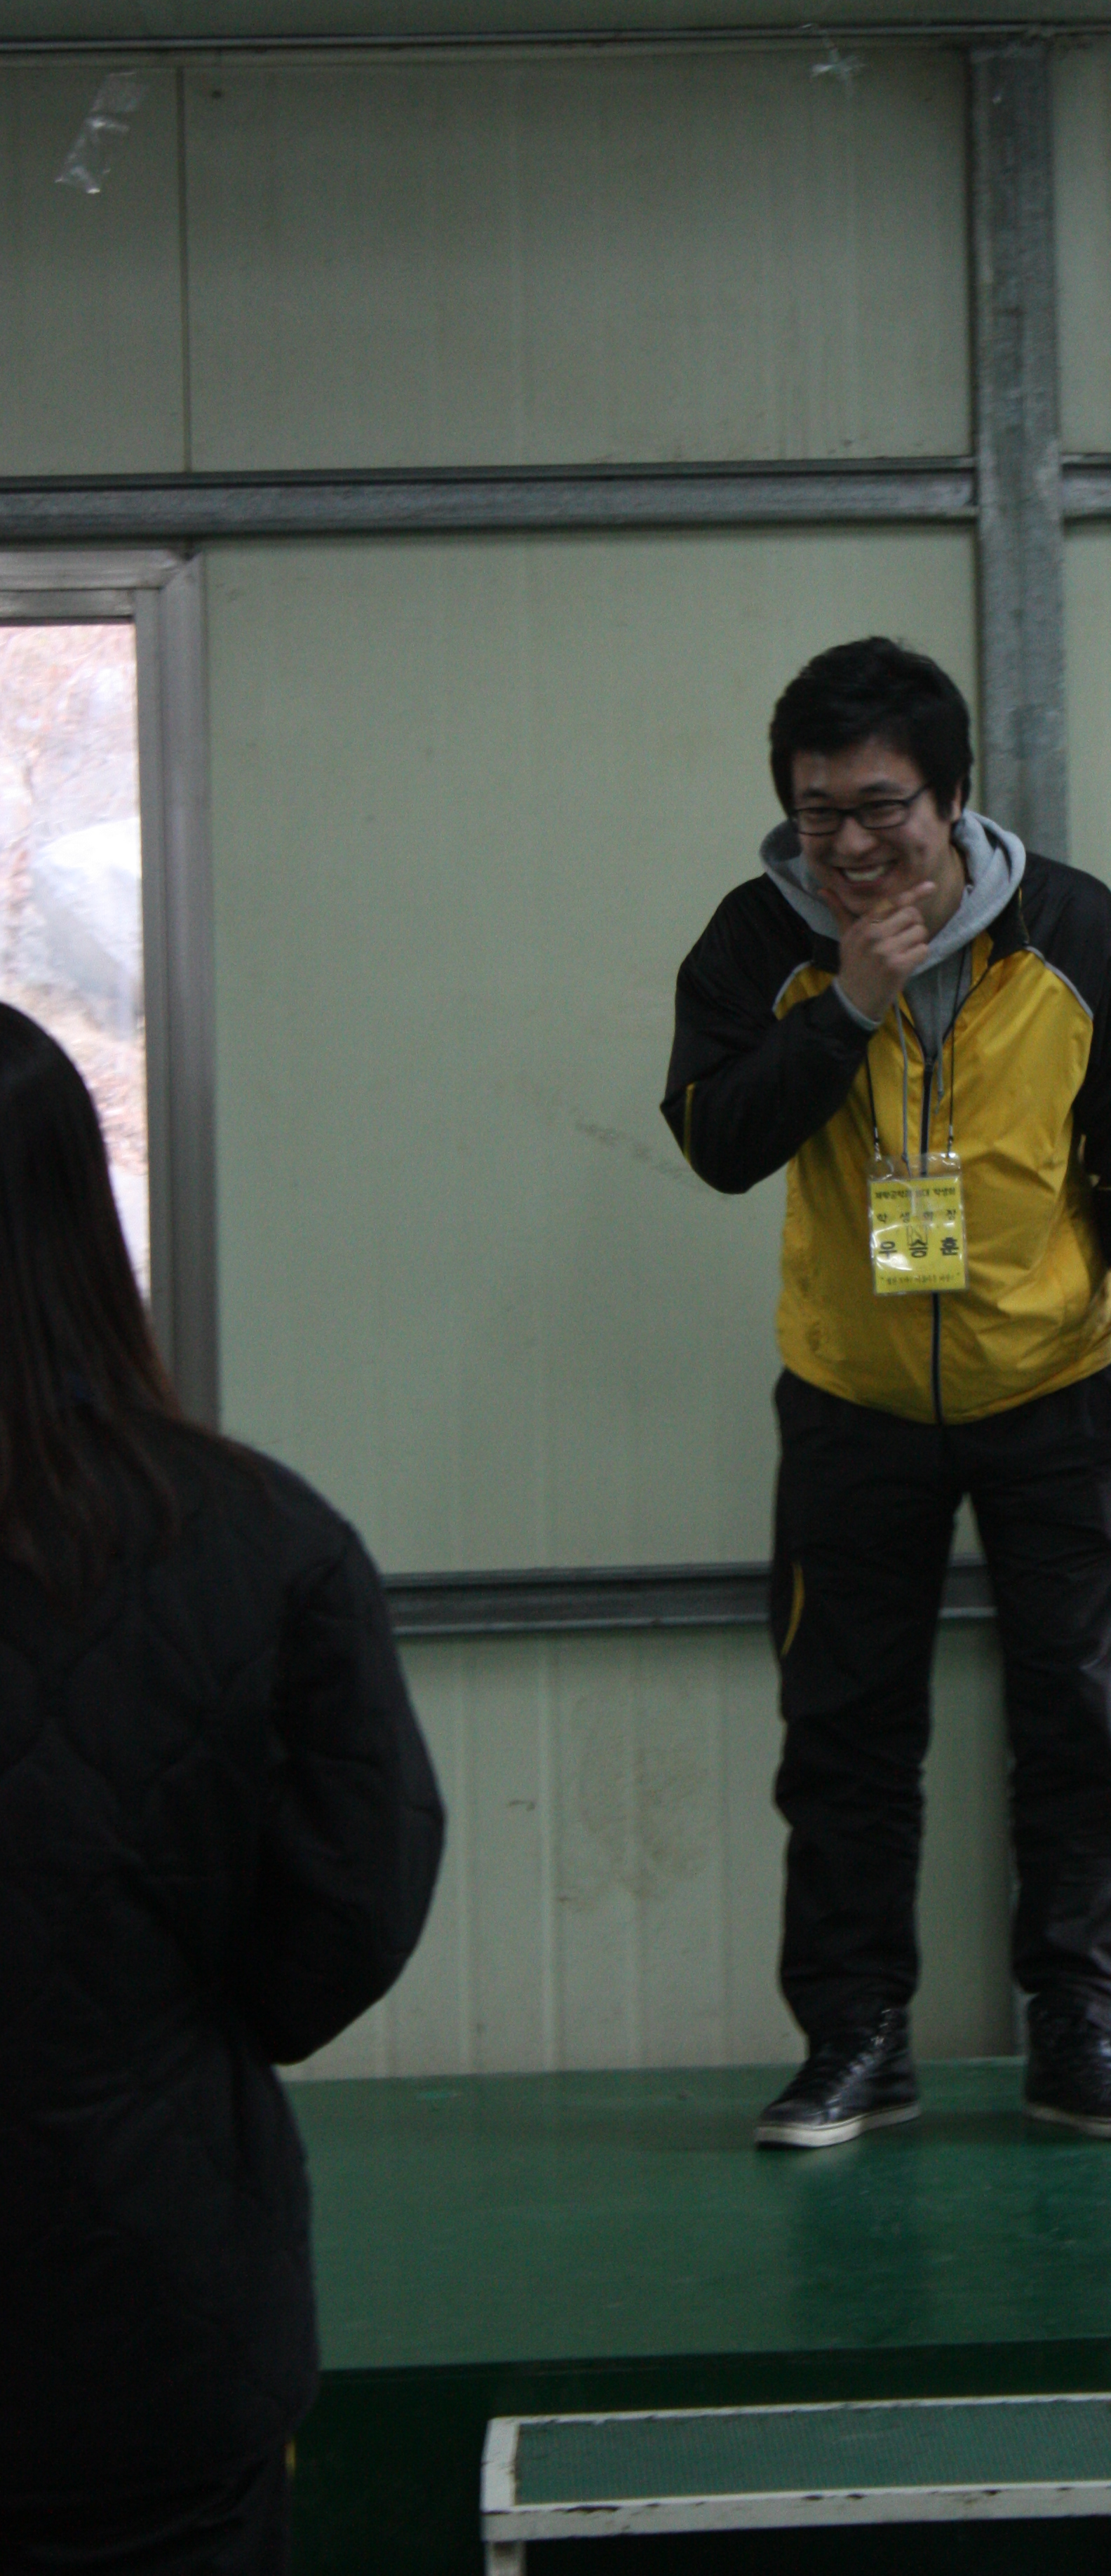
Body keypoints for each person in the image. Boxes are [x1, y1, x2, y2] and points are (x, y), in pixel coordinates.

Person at [664, 636, 1111, 2147]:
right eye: (815, 812)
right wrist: (843, 1006)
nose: (846, 845)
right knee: (844, 1735)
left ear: (953, 798)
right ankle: (856, 2042)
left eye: (878, 809)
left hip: (1058, 1387)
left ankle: (1079, 2037)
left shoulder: (1071, 930)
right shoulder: (754, 942)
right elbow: (716, 1140)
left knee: (1079, 1727)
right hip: (850, 1400)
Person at [0, 1004, 445, 2576]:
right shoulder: (265, 1542)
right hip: (154, 2318)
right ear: (84, 1219)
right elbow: (352, 1903)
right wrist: (168, 2042)